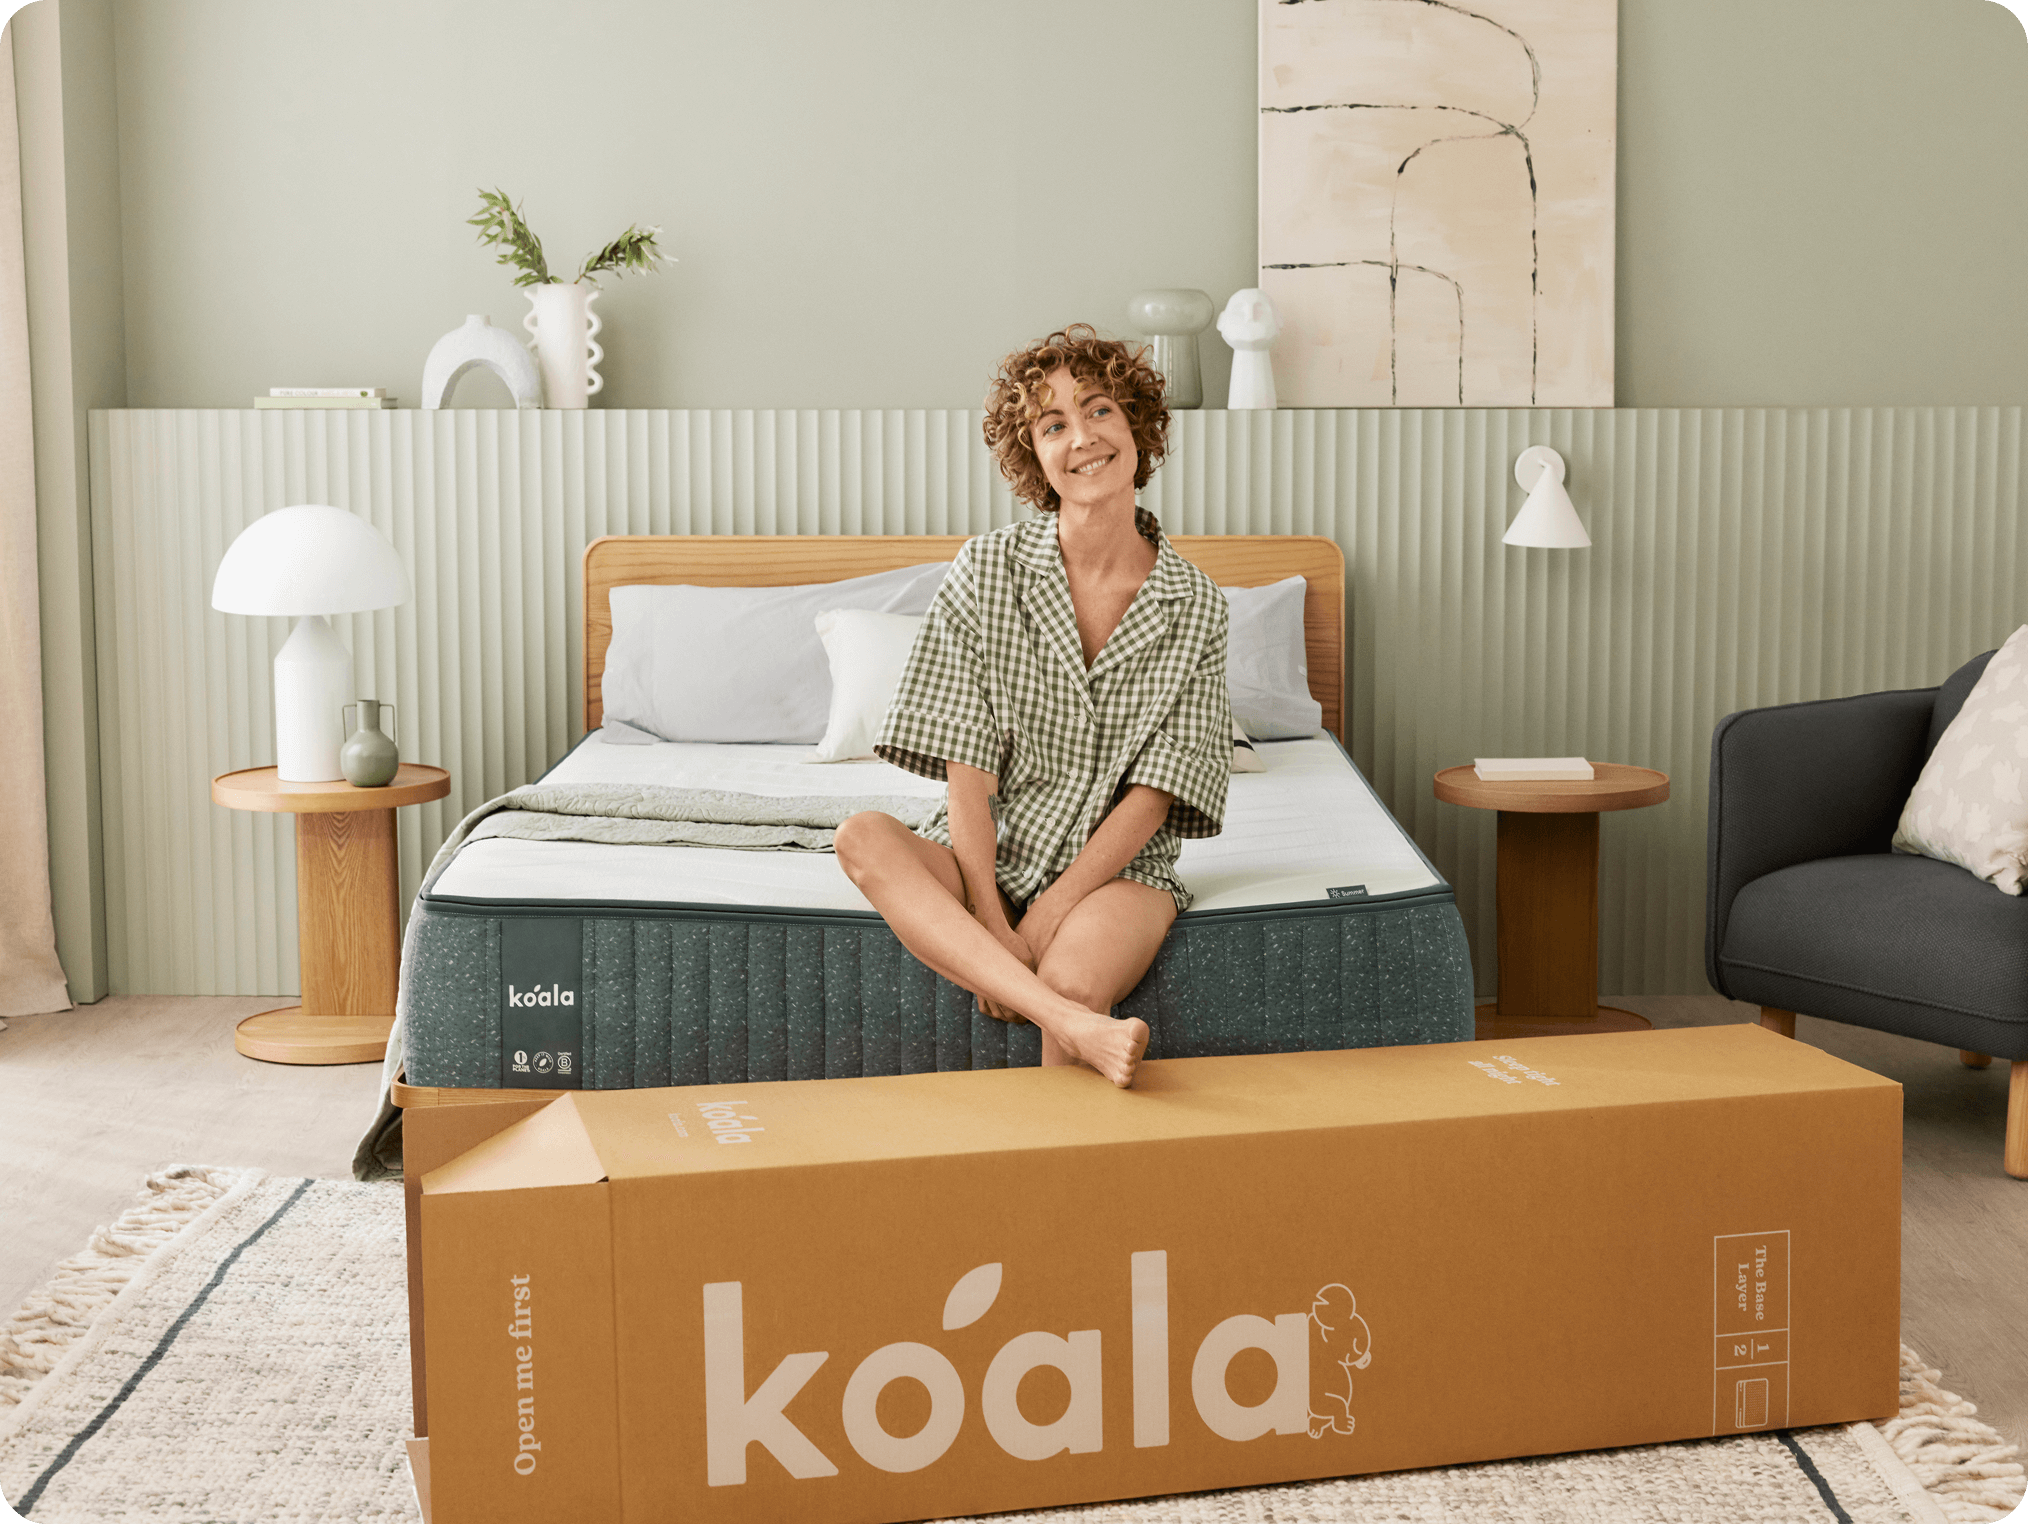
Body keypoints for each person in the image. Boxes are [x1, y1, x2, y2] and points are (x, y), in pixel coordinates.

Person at [834, 325, 1231, 1087]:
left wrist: (1047, 915)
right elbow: (966, 760)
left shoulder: (1196, 604)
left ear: (1137, 428)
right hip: (983, 852)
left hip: (1120, 873)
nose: (1081, 438)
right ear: (1036, 458)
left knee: (1077, 978)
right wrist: (988, 913)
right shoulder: (988, 569)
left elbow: (1155, 794)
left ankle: (1066, 1173)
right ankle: (1077, 1028)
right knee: (861, 836)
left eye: (1099, 411)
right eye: (1054, 425)